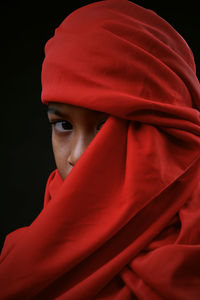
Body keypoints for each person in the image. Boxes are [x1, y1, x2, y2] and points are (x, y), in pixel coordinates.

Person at [0, 0, 200, 299]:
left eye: (105, 128)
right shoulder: (23, 258)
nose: (77, 156)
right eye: (63, 125)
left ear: (166, 136)